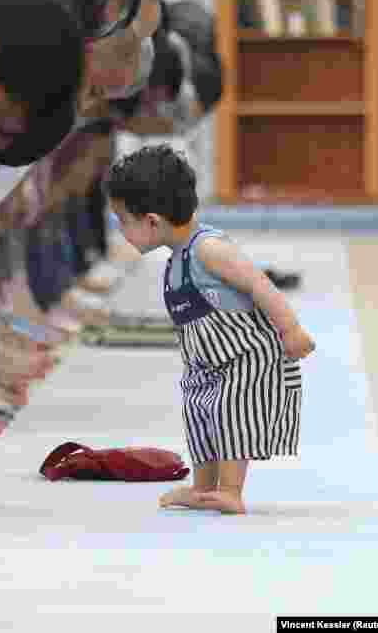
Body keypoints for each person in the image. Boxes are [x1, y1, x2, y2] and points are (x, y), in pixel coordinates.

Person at [105, 144, 314, 515]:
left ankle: (230, 490)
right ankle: (203, 488)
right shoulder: (176, 259)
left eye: (123, 220)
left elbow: (259, 284)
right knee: (198, 412)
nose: (120, 230)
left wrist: (292, 330)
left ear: (152, 221)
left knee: (231, 413)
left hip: (245, 358)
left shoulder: (208, 249)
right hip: (205, 362)